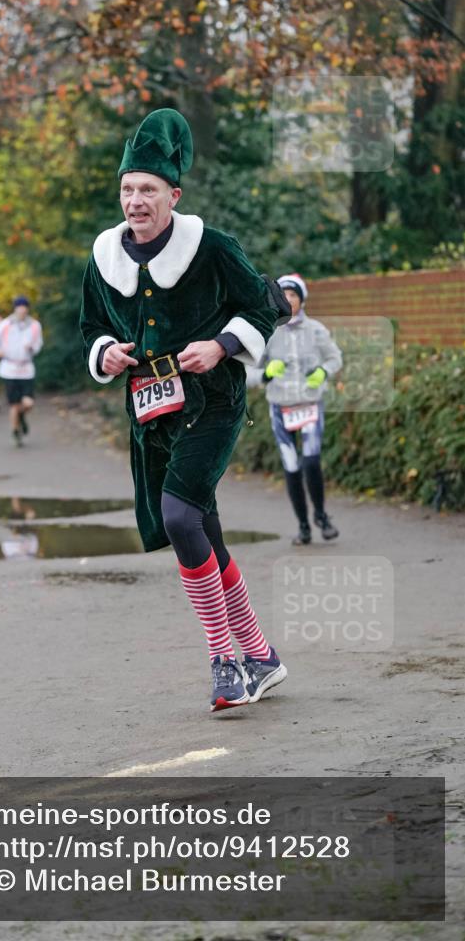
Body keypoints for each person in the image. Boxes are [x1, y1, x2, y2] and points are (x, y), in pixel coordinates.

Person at [80, 108, 288, 714]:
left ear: (173, 195)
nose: (135, 201)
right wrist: (105, 351)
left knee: (178, 517)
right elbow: (90, 326)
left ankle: (225, 661)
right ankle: (261, 656)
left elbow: (264, 307)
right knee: (201, 529)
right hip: (151, 414)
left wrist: (221, 344)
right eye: (127, 190)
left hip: (213, 401)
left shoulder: (212, 247)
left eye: (147, 189)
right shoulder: (104, 257)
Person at [258, 273, 343, 546]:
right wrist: (265, 374)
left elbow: (335, 358)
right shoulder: (268, 331)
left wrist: (323, 371)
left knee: (311, 460)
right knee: (292, 466)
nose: (288, 299)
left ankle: (321, 516)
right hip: (280, 408)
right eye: (283, 294)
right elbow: (247, 369)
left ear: (302, 299)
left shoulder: (316, 330)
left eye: (293, 294)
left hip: (309, 404)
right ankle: (303, 526)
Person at [0, 295, 43, 446]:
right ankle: (15, 431)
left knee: (28, 402)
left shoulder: (34, 325)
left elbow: (38, 344)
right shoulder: (6, 324)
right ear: (15, 308)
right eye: (19, 307)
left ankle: (21, 416)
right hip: (9, 368)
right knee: (14, 404)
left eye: (24, 307)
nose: (22, 310)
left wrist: (32, 347)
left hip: (26, 368)